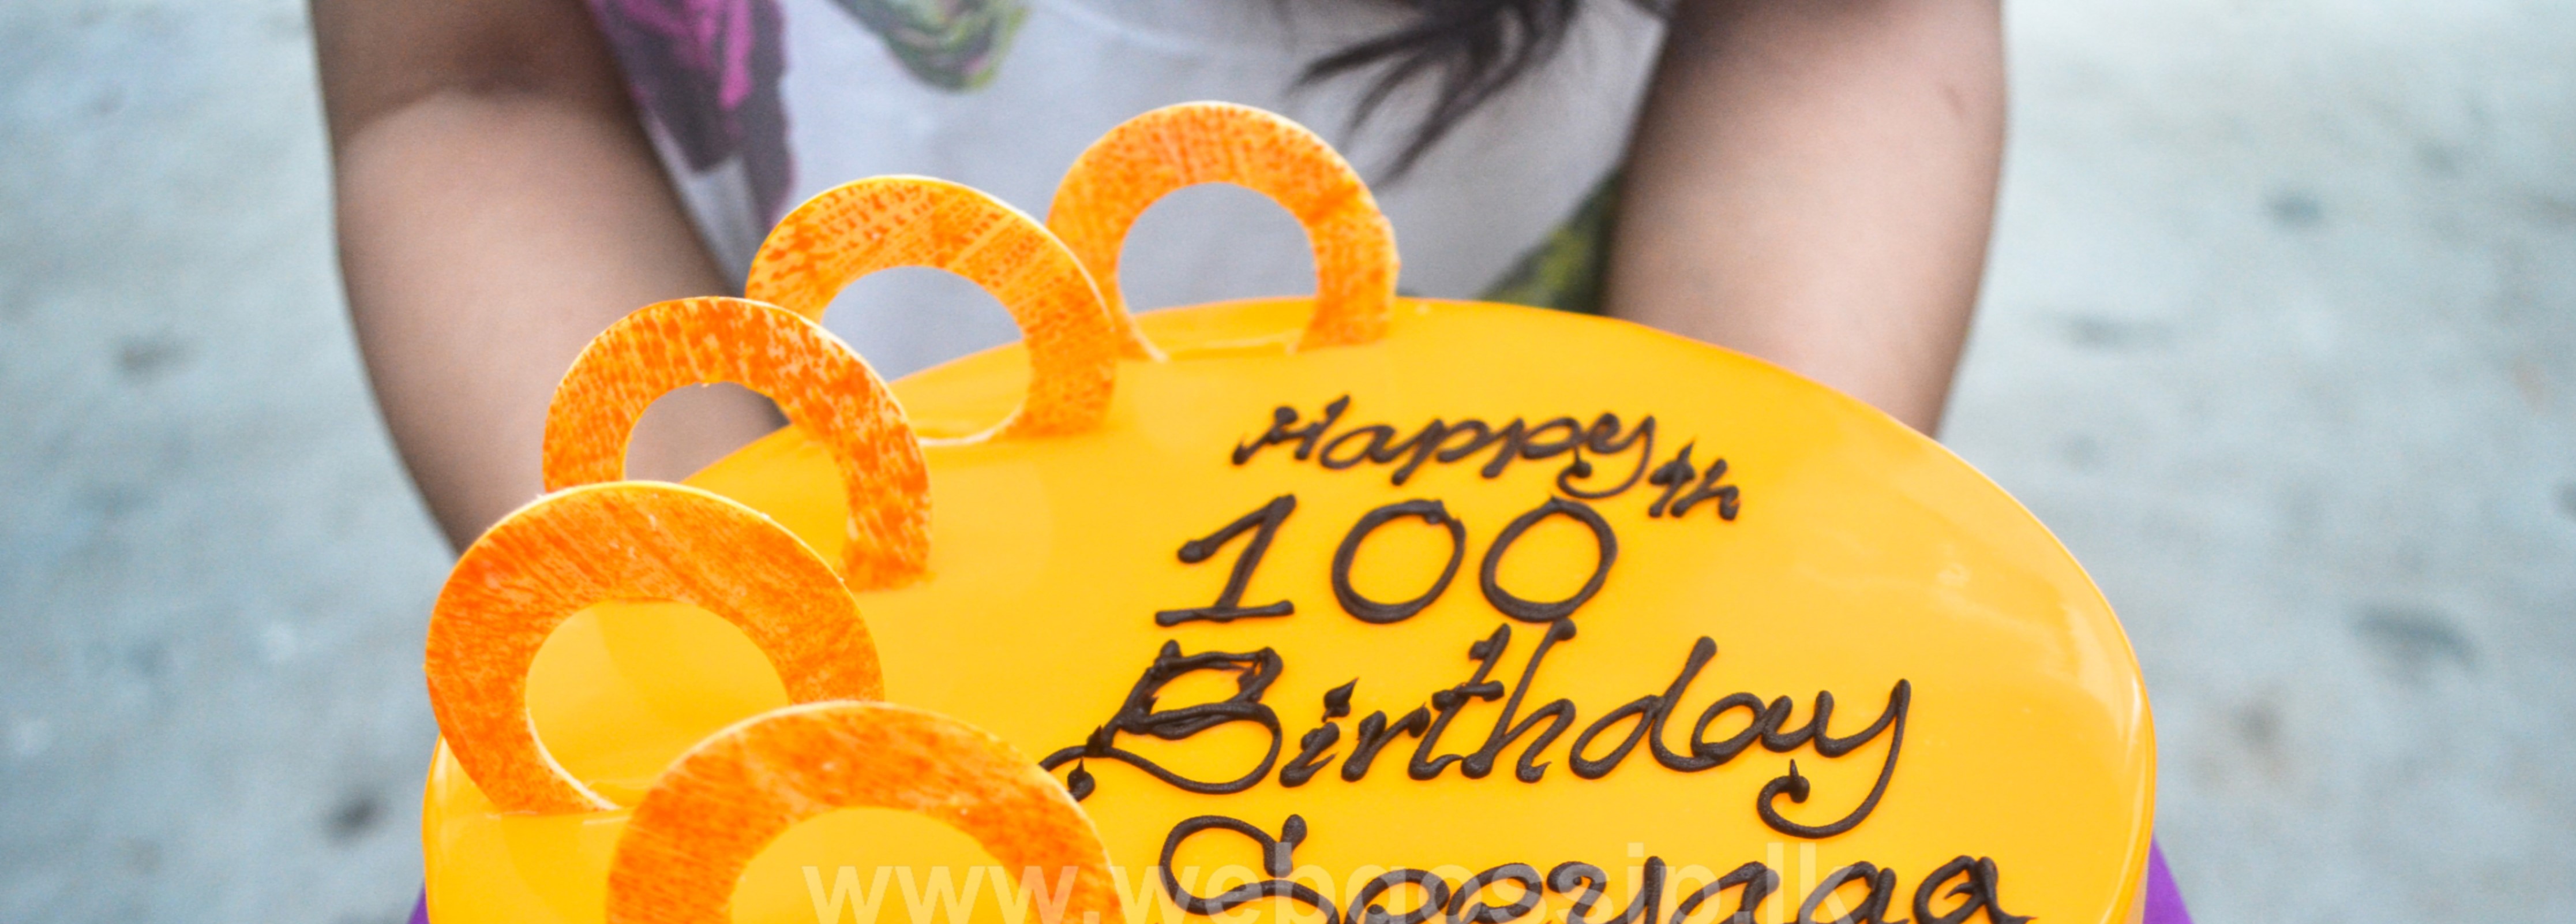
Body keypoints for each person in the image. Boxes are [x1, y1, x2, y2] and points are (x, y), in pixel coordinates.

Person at [312, 0, 2003, 551]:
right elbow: (481, 87)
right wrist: (710, 622)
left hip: (1572, 527)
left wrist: (1731, 556)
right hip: (786, 513)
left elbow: (1845, 25)